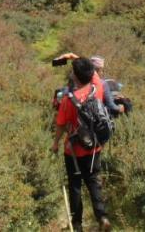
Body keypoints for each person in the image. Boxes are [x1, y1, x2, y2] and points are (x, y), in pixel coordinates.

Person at [53, 58, 111, 231]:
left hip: (74, 151)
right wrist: (76, 58)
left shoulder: (68, 100)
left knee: (75, 184)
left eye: (73, 71)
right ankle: (102, 217)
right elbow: (92, 71)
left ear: (76, 77)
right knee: (93, 181)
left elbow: (61, 125)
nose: (71, 73)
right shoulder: (97, 88)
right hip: (94, 147)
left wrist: (55, 143)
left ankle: (77, 224)